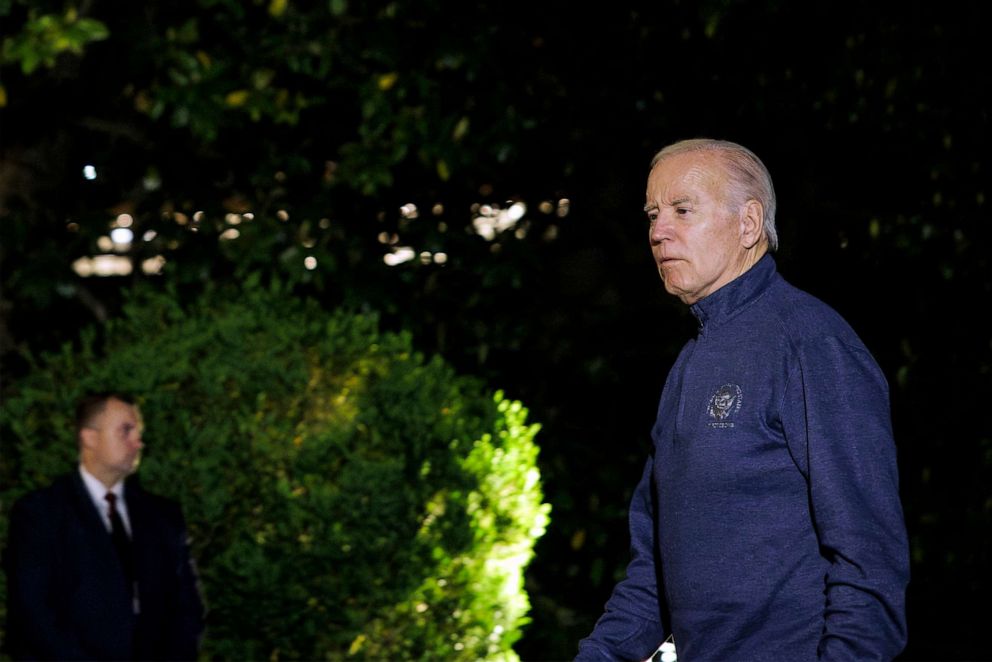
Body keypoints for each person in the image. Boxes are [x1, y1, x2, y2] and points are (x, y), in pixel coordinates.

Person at [576, 139, 910, 661]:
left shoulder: (812, 345)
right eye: (653, 214)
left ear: (748, 223)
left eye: (683, 210)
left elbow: (869, 562)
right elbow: (655, 574)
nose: (658, 232)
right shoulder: (690, 362)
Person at [4, 392, 205, 660]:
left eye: (138, 432)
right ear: (90, 438)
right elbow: (34, 613)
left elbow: (187, 608)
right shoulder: (41, 514)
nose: (138, 442)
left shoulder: (163, 516)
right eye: (126, 431)